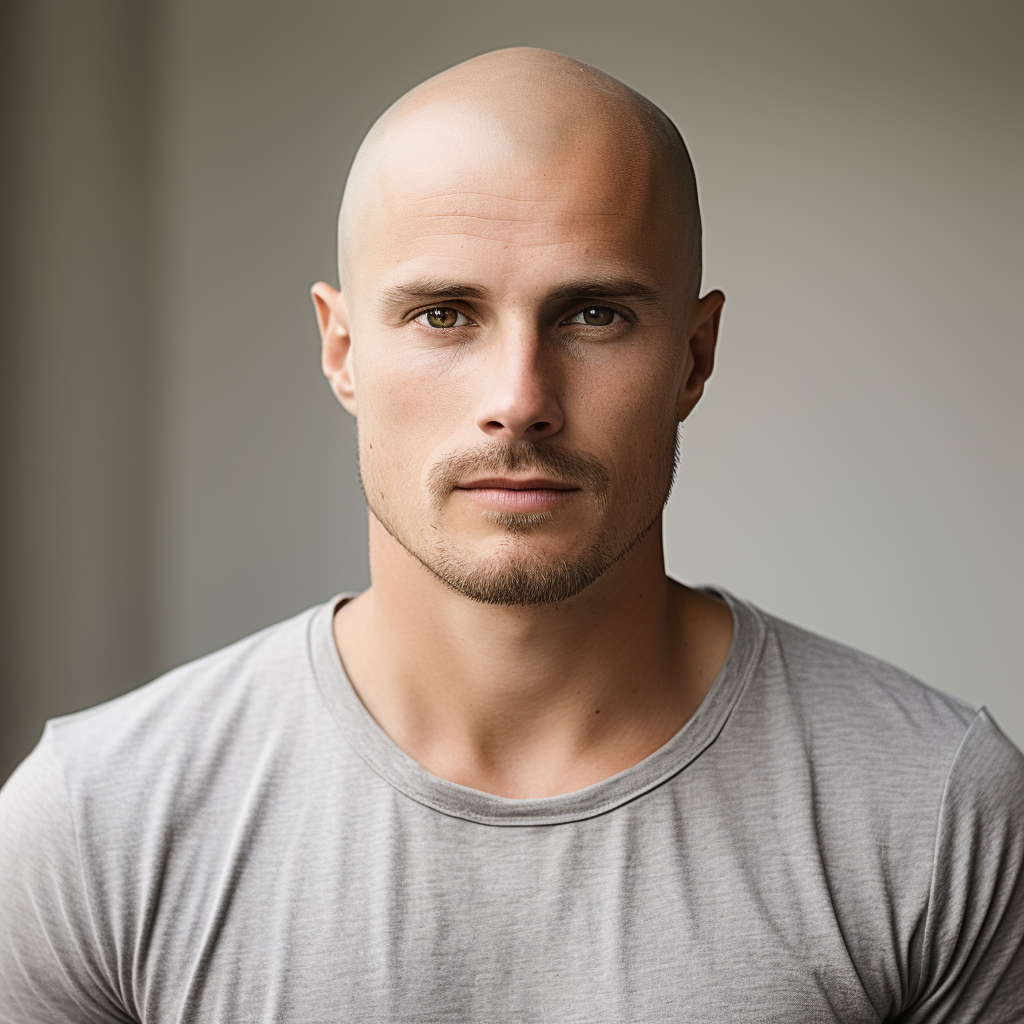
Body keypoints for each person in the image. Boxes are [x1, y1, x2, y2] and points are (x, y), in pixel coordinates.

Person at [1, 47, 1021, 1023]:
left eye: (593, 314)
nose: (519, 401)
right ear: (343, 350)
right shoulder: (97, 824)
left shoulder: (935, 810)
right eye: (445, 314)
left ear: (695, 356)